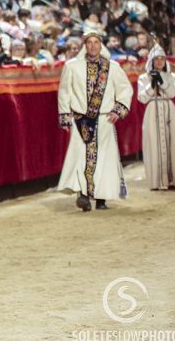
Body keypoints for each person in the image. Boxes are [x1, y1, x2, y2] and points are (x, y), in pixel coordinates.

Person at [56, 31, 133, 211]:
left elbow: (125, 90)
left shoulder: (112, 67)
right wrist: (65, 116)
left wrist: (119, 109)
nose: (92, 46)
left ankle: (101, 197)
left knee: (105, 159)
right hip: (80, 120)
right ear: (85, 45)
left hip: (105, 119)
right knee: (80, 158)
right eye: (89, 42)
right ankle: (83, 194)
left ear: (101, 44)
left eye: (96, 42)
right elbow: (64, 92)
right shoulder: (72, 66)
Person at [137, 45, 175, 190]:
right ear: (151, 61)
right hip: (152, 110)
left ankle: (172, 179)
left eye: (162, 59)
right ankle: (156, 181)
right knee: (153, 142)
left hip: (168, 109)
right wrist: (152, 84)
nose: (159, 62)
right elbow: (142, 98)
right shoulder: (143, 78)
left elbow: (173, 92)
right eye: (156, 59)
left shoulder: (171, 76)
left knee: (171, 141)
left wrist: (161, 81)